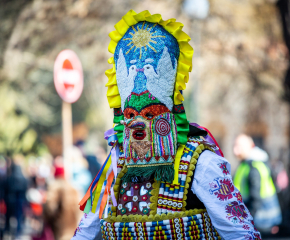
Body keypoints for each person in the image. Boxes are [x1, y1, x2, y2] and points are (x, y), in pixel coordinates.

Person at [72, 10, 261, 240]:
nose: (138, 126)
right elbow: (85, 233)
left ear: (169, 112)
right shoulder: (114, 166)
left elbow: (241, 234)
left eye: (150, 114)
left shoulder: (201, 163)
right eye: (131, 115)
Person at [233, 134, 282, 234]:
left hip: (261, 222)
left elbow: (255, 199)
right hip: (260, 221)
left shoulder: (253, 166)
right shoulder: (249, 163)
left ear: (251, 146)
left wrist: (246, 221)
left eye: (239, 146)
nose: (235, 150)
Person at [43, 162, 80, 240]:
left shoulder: (55, 187)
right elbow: (79, 209)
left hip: (59, 228)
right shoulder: (73, 187)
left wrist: (49, 220)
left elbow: (50, 207)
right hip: (72, 228)